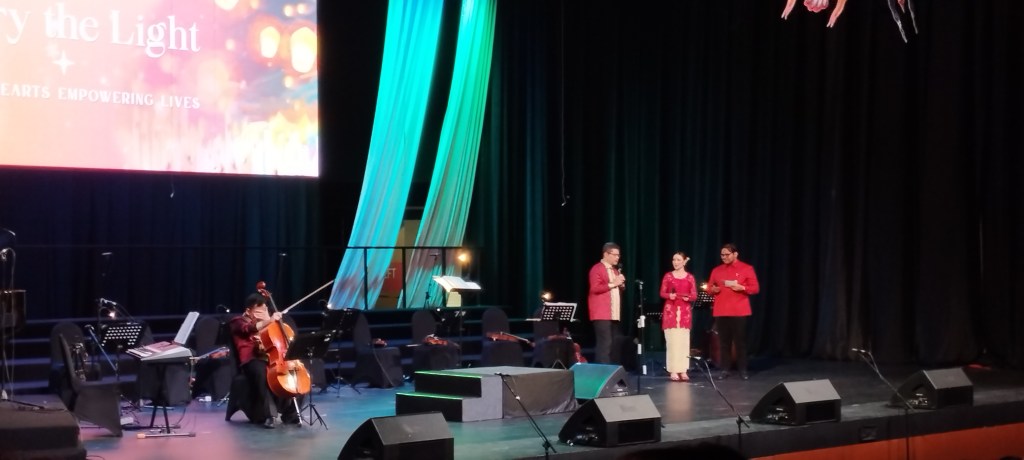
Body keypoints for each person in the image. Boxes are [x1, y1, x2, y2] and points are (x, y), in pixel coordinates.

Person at [228, 293, 301, 428]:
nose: (262, 314)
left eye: (264, 310)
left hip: (271, 358)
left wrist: (271, 320)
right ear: (248, 311)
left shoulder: (268, 322)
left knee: (299, 375)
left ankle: (291, 414)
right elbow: (249, 328)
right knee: (261, 373)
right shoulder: (237, 321)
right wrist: (270, 320)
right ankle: (269, 415)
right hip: (251, 359)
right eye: (258, 311)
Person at [708, 243, 759, 380]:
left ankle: (743, 370)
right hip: (721, 310)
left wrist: (742, 287)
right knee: (724, 342)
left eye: (727, 254)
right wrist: (713, 289)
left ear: (735, 254)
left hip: (739, 311)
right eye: (722, 255)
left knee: (740, 342)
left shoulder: (746, 268)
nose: (724, 257)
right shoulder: (717, 270)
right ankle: (725, 369)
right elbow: (709, 286)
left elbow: (755, 288)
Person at [660, 251, 697, 382]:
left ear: (684, 261)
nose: (675, 262)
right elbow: (662, 293)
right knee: (672, 342)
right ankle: (673, 370)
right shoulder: (668, 276)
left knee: (683, 342)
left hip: (684, 312)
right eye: (674, 260)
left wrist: (688, 297)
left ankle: (683, 369)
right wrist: (669, 295)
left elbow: (694, 295)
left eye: (678, 260)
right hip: (671, 311)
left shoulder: (689, 277)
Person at [588, 242, 626, 364]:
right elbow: (595, 288)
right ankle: (602, 371)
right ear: (606, 254)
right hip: (601, 313)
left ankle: (612, 370)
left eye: (618, 255)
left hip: (614, 313)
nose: (617, 257)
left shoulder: (615, 271)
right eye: (615, 255)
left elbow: (615, 288)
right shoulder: (597, 269)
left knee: (614, 343)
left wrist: (621, 285)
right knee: (605, 343)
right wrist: (614, 283)